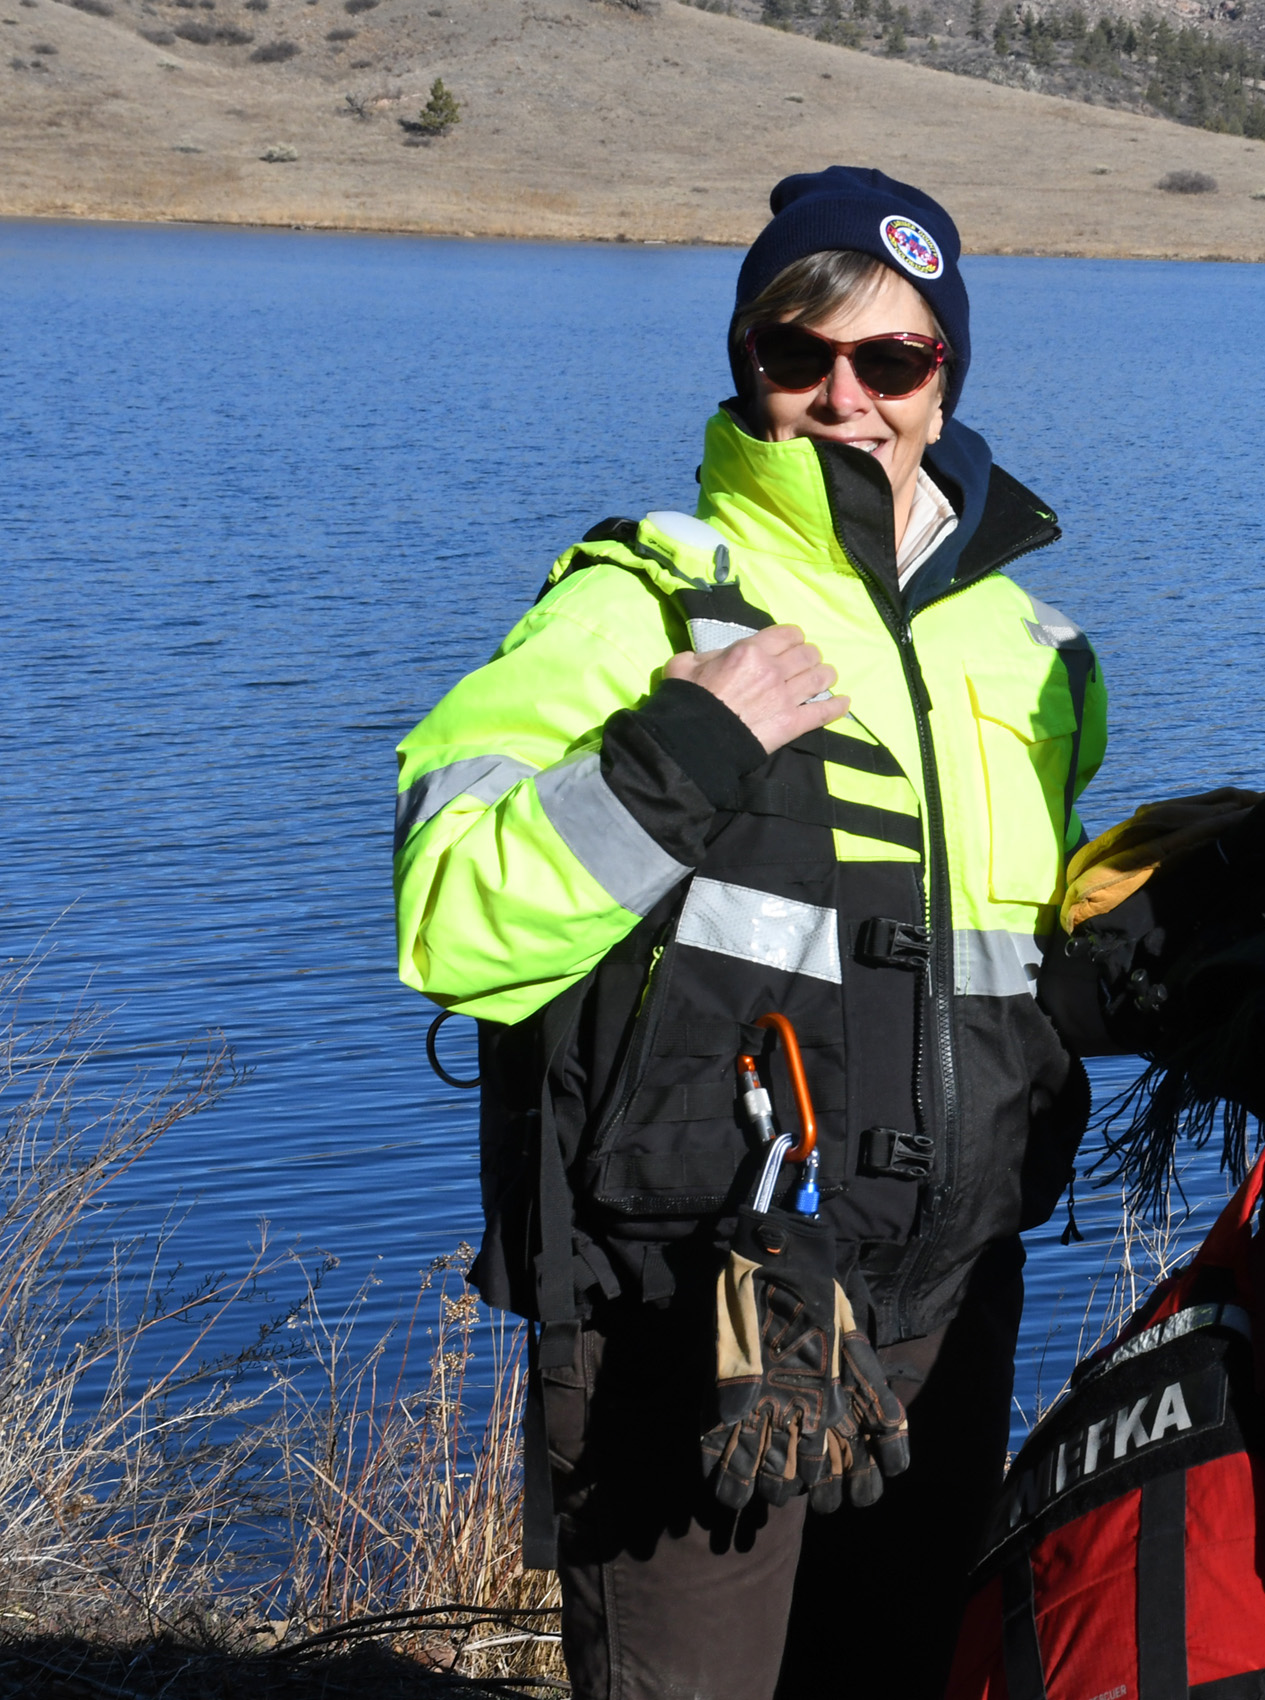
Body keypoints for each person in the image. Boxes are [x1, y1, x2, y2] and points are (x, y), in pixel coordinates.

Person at [393, 167, 1103, 1700]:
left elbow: (1018, 968)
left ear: (945, 376)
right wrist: (677, 757)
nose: (844, 397)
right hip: (689, 1311)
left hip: (942, 1307)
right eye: (799, 353)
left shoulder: (1031, 648)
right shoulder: (640, 604)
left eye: (891, 358)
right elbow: (452, 915)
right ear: (747, 365)